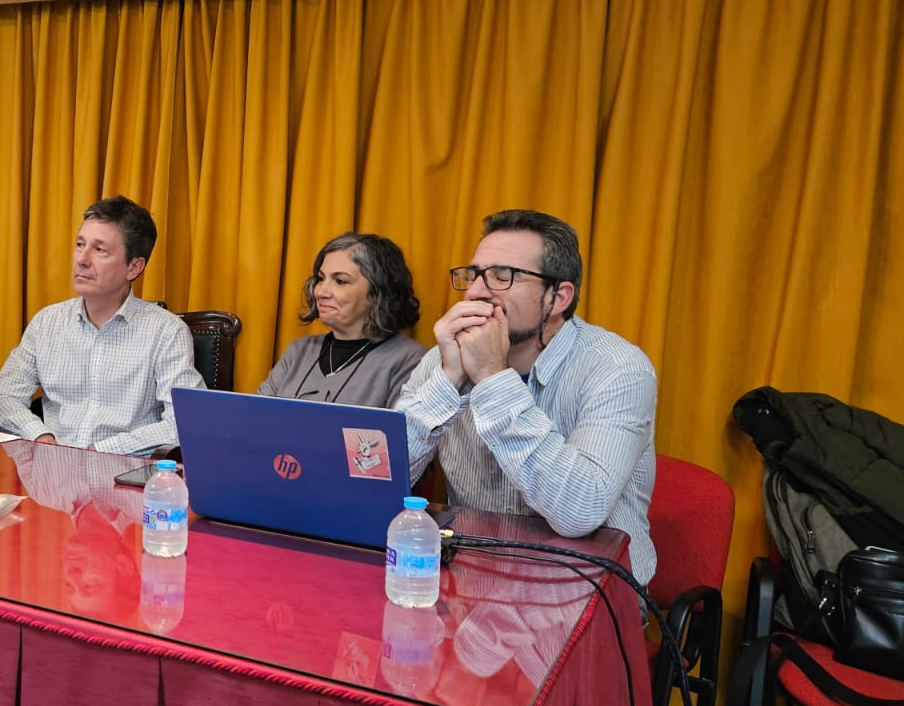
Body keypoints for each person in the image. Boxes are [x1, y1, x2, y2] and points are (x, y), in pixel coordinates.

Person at [395, 209, 658, 585]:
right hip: (475, 581)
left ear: (558, 297)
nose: (476, 292)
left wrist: (491, 376)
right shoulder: (445, 357)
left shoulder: (619, 369)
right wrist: (449, 378)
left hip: (587, 591)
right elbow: (377, 476)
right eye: (474, 275)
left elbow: (578, 511)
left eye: (503, 276)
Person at [0, 196, 205, 456]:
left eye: (100, 249)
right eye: (80, 245)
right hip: (51, 473)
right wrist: (40, 435)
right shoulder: (48, 322)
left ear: (134, 267)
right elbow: (2, 397)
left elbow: (184, 423)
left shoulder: (166, 332)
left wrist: (99, 450)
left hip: (122, 478)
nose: (82, 259)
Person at [258, 232, 425, 407]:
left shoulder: (410, 361)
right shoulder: (298, 351)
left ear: (378, 292)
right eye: (321, 279)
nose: (320, 292)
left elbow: (400, 432)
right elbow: (255, 418)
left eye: (340, 281)